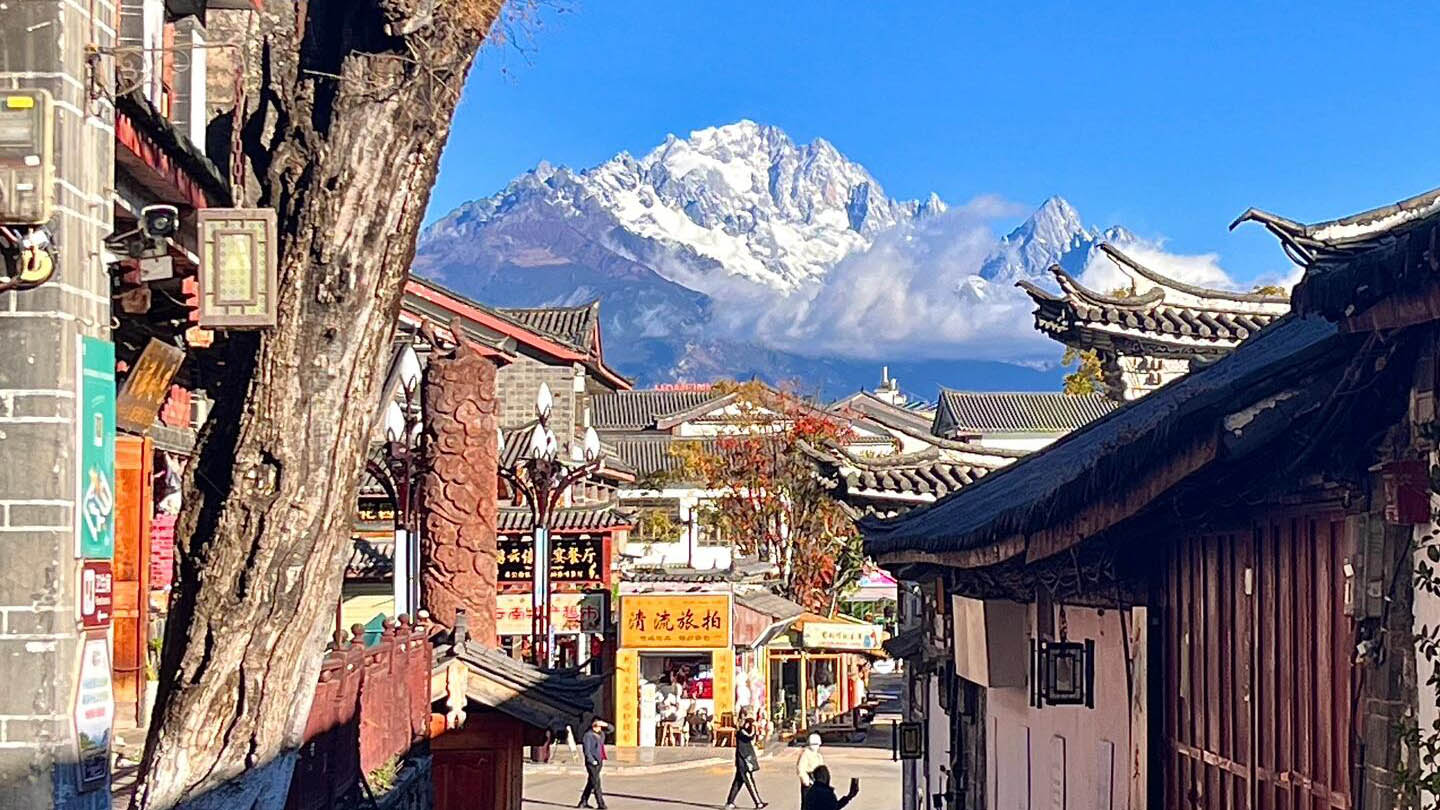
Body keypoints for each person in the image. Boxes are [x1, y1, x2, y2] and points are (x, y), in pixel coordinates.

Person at [723, 711, 766, 809]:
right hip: (743, 760)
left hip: (743, 759)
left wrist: (753, 726)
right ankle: (758, 802)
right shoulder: (741, 731)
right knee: (749, 781)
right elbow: (749, 736)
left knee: (738, 782)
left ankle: (730, 802)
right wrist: (754, 728)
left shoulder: (743, 729)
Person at [577, 717, 608, 809]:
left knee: (591, 782)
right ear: (593, 725)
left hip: (599, 760)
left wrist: (605, 724)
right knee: (596, 783)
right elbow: (587, 751)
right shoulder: (588, 735)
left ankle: (583, 802)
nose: (600, 728)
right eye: (598, 725)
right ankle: (601, 804)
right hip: (592, 762)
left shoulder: (601, 734)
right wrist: (591, 760)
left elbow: (611, 729)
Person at [796, 733, 824, 807]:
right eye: (814, 744)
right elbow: (801, 768)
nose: (816, 746)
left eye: (817, 744)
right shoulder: (805, 754)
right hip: (809, 780)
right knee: (807, 803)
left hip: (818, 781)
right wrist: (806, 780)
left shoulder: (818, 756)